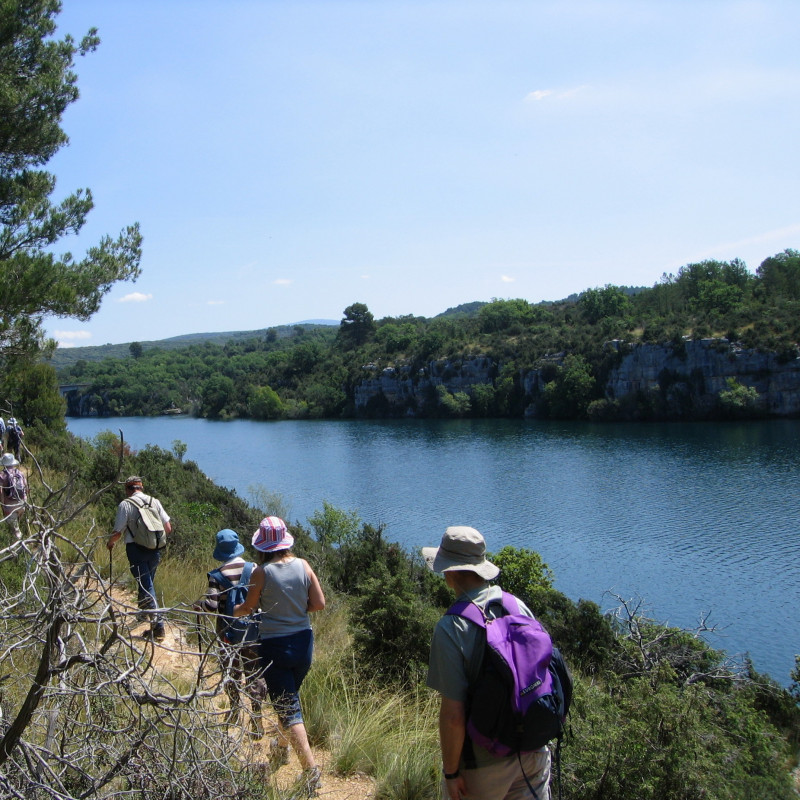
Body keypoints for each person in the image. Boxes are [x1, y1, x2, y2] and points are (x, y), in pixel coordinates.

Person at [423, 526, 552, 800]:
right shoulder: (517, 606)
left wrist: (451, 773)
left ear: (450, 572)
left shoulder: (451, 627)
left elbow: (454, 716)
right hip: (534, 750)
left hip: (484, 764)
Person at [233, 516, 325, 795]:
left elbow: (248, 607)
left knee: (289, 708)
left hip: (275, 646)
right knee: (289, 699)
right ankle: (281, 746)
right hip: (304, 643)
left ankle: (310, 772)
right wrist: (295, 611)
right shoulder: (303, 565)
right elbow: (319, 603)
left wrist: (232, 612)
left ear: (262, 546)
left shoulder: (261, 572)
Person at [195, 529, 266, 734]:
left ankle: (235, 711)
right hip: (253, 631)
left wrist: (198, 606)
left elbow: (211, 605)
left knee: (232, 672)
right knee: (254, 673)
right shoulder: (254, 569)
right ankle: (256, 718)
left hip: (227, 633)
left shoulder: (216, 576)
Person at [107, 476, 172, 641]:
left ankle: (159, 627)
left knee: (146, 587)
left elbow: (118, 531)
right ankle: (143, 614)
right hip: (155, 549)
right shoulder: (154, 501)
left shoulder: (125, 504)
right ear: (141, 488)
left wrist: (110, 543)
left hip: (136, 550)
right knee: (147, 583)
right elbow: (168, 528)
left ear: (128, 489)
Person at [0, 452, 27, 537]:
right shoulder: (19, 473)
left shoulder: (2, 475)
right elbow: (26, 488)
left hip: (10, 507)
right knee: (15, 526)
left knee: (15, 531)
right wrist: (24, 501)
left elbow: (1, 492)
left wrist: (3, 505)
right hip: (21, 504)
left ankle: (21, 543)